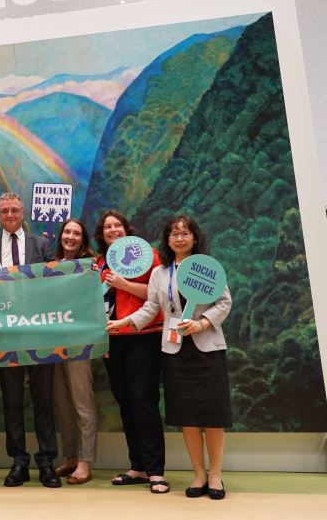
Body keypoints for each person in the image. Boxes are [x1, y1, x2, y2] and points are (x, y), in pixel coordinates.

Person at [107, 215, 232, 500]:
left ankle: (215, 475)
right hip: (174, 351)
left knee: (212, 417)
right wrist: (124, 322)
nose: (179, 238)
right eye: (174, 234)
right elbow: (151, 308)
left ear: (194, 238)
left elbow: (224, 302)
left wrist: (203, 323)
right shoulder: (160, 273)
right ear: (167, 239)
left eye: (185, 233)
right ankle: (198, 474)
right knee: (187, 416)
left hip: (207, 349)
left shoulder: (207, 268)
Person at [0, 193, 60, 488]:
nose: (10, 215)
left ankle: (47, 462)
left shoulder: (41, 245)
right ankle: (19, 462)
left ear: (23, 212)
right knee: (12, 401)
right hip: (5, 334)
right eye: (5, 211)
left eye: (15, 210)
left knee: (43, 401)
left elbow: (57, 283)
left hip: (39, 332)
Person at [94, 209, 168, 494]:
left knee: (143, 400)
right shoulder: (99, 263)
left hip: (143, 336)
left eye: (118, 225)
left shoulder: (146, 254)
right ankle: (137, 466)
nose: (113, 230)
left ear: (126, 229)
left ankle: (155, 471)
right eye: (108, 227)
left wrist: (124, 285)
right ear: (102, 234)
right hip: (112, 339)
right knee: (124, 401)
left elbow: (159, 295)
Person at [52, 218, 99, 485]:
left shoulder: (89, 266)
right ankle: (70, 457)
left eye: (77, 233)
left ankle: (85, 461)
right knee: (62, 401)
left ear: (83, 239)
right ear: (61, 236)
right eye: (67, 232)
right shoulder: (51, 266)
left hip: (80, 341)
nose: (70, 237)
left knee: (82, 402)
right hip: (53, 342)